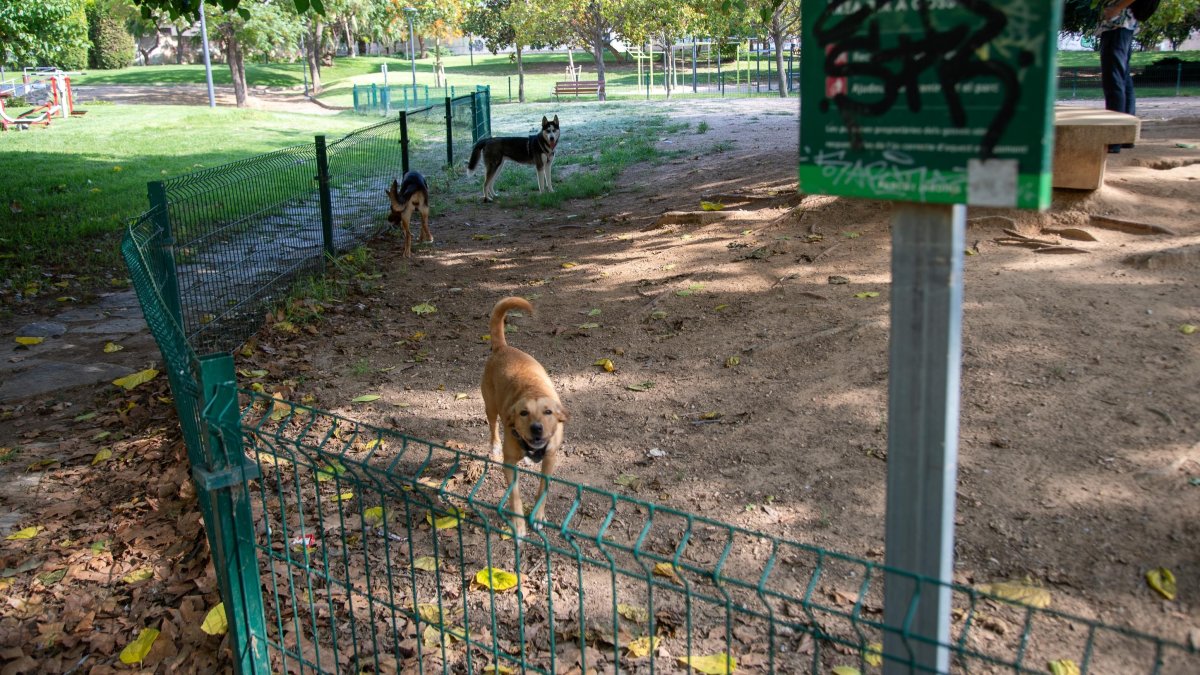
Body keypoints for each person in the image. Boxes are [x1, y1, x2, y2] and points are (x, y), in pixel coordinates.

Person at [1096, 0, 1139, 153]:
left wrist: (1116, 8)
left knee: (1114, 80)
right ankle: (1125, 137)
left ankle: (1114, 139)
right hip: (1122, 25)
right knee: (1123, 80)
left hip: (1117, 24)